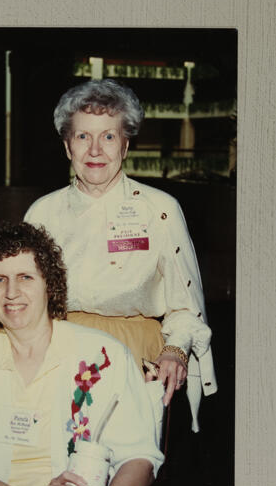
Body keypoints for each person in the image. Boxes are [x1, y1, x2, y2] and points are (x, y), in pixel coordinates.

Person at [24, 79, 217, 431]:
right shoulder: (41, 214)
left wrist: (174, 351)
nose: (95, 150)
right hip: (58, 357)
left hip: (137, 359)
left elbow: (187, 305)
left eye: (108, 137)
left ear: (126, 145)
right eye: (83, 137)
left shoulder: (161, 210)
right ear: (67, 146)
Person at [0, 222, 163, 486]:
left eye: (25, 277)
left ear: (49, 284)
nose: (11, 293)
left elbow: (139, 460)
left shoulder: (105, 356)